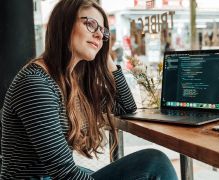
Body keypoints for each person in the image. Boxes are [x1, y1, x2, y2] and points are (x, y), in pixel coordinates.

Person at [0, 0, 178, 179]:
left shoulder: (72, 82)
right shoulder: (36, 84)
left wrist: (108, 62)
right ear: (65, 24)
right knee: (154, 162)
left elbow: (126, 108)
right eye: (91, 25)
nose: (100, 35)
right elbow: (66, 174)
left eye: (103, 31)